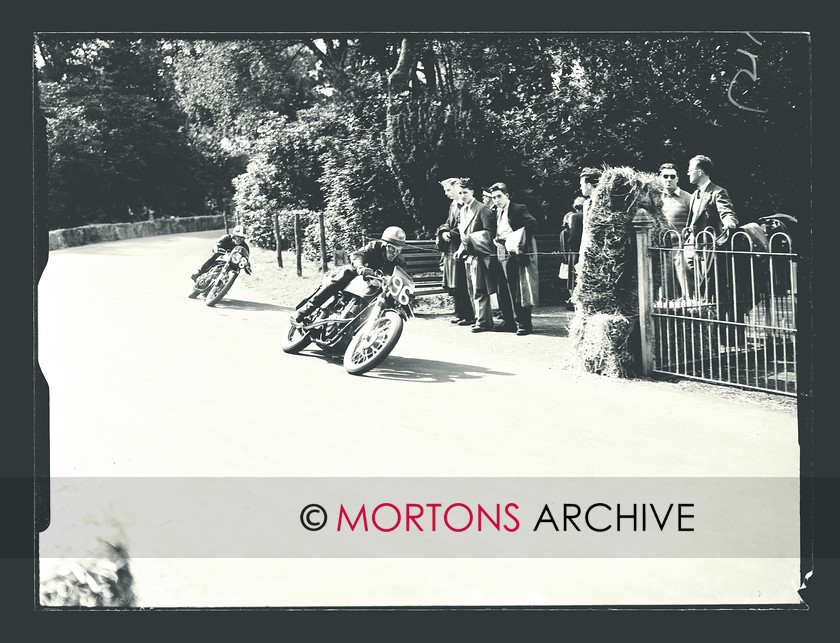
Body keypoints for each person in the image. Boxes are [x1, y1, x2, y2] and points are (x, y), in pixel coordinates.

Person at [293, 226, 408, 323]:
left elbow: (401, 280)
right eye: (392, 249)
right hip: (361, 275)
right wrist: (361, 267)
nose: (395, 253)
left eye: (399, 250)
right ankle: (306, 310)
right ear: (384, 245)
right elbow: (358, 255)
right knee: (346, 273)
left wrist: (404, 303)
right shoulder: (374, 247)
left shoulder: (399, 261)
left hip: (377, 285)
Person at [684, 155, 739, 302]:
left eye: (690, 170)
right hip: (692, 247)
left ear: (700, 172)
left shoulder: (717, 192)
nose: (688, 173)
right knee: (694, 285)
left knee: (709, 288)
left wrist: (729, 221)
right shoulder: (695, 194)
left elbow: (726, 211)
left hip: (708, 248)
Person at [488, 182, 539, 335]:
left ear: (507, 196)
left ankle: (523, 324)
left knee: (516, 289)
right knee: (502, 287)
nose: (496, 200)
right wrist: (496, 240)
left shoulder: (518, 208)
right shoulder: (495, 211)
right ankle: (508, 322)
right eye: (494, 198)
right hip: (500, 250)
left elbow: (532, 223)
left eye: (499, 196)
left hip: (513, 252)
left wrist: (514, 239)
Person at [453, 178, 497, 333]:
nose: (462, 196)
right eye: (460, 193)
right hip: (468, 256)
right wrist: (460, 248)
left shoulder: (482, 209)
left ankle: (484, 322)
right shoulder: (463, 210)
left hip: (480, 254)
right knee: (472, 289)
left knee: (480, 289)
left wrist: (469, 240)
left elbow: (489, 234)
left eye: (465, 192)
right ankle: (480, 319)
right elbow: (463, 233)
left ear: (472, 192)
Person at [435, 178, 473, 325]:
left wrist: (451, 234)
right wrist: (444, 230)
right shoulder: (452, 205)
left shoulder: (464, 205)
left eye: (448, 190)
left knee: (462, 281)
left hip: (460, 246)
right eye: (445, 190)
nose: (446, 193)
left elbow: (464, 225)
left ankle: (469, 315)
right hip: (450, 248)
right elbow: (448, 222)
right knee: (453, 282)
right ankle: (460, 313)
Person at [658, 162, 693, 299]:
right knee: (666, 291)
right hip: (663, 249)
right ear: (660, 178)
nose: (669, 179)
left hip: (682, 248)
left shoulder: (688, 198)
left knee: (688, 287)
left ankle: (692, 313)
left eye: (672, 176)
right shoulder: (656, 198)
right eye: (665, 176)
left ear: (678, 178)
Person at [558, 196, 585, 307]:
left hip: (574, 255)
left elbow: (571, 241)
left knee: (573, 279)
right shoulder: (566, 231)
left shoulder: (576, 217)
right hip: (577, 253)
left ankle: (575, 301)